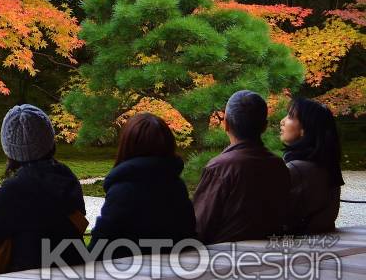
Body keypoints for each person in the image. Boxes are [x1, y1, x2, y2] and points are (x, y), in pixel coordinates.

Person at [0, 104, 87, 273]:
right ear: (49, 140)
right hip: (75, 279)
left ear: (9, 149)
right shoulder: (68, 179)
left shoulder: (14, 191)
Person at [192, 90, 290, 244]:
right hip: (272, 256)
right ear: (264, 126)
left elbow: (199, 227)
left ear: (226, 124)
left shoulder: (220, 167)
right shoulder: (278, 165)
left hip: (224, 259)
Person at [89, 113, 196, 254]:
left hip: (126, 271)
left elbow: (100, 245)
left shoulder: (123, 191)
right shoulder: (177, 187)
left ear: (127, 145)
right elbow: (188, 233)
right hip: (176, 270)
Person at [280, 97, 344, 233]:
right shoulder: (327, 165)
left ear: (305, 129)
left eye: (290, 116)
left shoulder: (296, 170)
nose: (282, 121)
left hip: (295, 246)